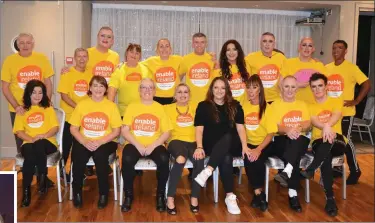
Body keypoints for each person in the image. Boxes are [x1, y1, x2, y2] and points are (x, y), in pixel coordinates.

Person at [193, 76, 244, 215]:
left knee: (229, 135)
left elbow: (240, 129)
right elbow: (199, 129)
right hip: (212, 146)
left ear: (227, 90)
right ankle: (229, 196)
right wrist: (199, 146)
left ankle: (208, 170)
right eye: (216, 87)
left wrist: (245, 146)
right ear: (211, 89)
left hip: (232, 144)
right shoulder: (203, 106)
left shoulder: (235, 105)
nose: (219, 91)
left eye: (223, 88)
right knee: (226, 157)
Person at [69, 76, 122, 209]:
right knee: (78, 156)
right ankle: (77, 192)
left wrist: (100, 141)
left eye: (101, 86)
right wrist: (84, 141)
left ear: (105, 89)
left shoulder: (111, 106)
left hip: (106, 141)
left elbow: (116, 131)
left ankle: (103, 193)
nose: (98, 88)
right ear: (90, 88)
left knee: (100, 156)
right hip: (85, 140)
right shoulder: (82, 105)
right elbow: (73, 128)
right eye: (95, 85)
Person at [120, 78, 172, 212]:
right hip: (134, 143)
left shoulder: (159, 108)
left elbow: (166, 132)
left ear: (155, 91)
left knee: (164, 159)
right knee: (127, 158)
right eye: (144, 87)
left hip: (154, 144)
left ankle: (160, 196)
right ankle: (128, 195)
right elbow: (125, 130)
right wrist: (138, 145)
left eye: (150, 88)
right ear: (139, 91)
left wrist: (152, 146)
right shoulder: (132, 106)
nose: (147, 90)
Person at [300, 73, 346, 217]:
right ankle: (330, 200)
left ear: (326, 87)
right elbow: (313, 121)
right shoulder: (310, 106)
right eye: (313, 87)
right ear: (311, 89)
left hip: (337, 140)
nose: (317, 89)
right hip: (318, 142)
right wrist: (326, 127)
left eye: (320, 86)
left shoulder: (336, 101)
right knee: (325, 156)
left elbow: (336, 116)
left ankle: (312, 168)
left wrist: (327, 127)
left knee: (330, 140)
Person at [325, 40, 371, 184]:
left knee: (345, 140)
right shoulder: (326, 68)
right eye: (334, 48)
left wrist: (357, 101)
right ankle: (337, 169)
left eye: (340, 48)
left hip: (346, 112)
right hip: (330, 113)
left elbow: (366, 83)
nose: (336, 50)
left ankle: (355, 170)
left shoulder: (352, 68)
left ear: (345, 51)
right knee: (334, 140)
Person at [1, 33, 54, 154]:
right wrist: (16, 106)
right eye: (22, 43)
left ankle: (40, 170)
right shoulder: (9, 61)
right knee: (22, 144)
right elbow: (5, 87)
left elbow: (48, 82)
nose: (25, 45)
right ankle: (26, 168)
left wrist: (46, 101)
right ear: (17, 45)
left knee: (41, 140)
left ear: (33, 44)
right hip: (19, 109)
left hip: (39, 108)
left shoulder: (41, 58)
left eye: (28, 42)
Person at [267, 75, 311, 212]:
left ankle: (287, 171)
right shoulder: (274, 105)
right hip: (282, 139)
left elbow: (308, 124)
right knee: (293, 151)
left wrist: (297, 129)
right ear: (281, 88)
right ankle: (293, 193)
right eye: (287, 86)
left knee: (296, 142)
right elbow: (275, 127)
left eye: (293, 87)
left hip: (300, 138)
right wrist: (288, 130)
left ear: (297, 89)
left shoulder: (302, 104)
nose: (290, 90)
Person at [13, 80, 59, 207]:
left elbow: (55, 128)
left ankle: (42, 177)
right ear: (28, 93)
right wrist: (31, 138)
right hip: (28, 142)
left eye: (40, 92)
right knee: (29, 155)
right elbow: (19, 131)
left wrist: (43, 136)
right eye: (34, 92)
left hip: (48, 142)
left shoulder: (48, 108)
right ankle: (27, 190)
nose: (37, 95)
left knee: (39, 144)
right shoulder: (22, 111)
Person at [164, 83, 204, 215]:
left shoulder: (196, 108)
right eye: (179, 92)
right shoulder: (166, 108)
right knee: (180, 159)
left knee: (200, 159)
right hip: (175, 141)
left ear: (189, 95)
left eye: (185, 92)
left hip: (193, 141)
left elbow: (200, 129)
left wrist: (200, 146)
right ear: (175, 95)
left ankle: (194, 196)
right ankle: (170, 197)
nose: (182, 95)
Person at [238, 74, 274, 212]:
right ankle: (259, 194)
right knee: (249, 157)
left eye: (254, 87)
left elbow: (270, 134)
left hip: (264, 143)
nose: (251, 90)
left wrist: (258, 149)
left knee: (257, 159)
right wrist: (246, 146)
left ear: (260, 89)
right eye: (248, 87)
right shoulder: (243, 106)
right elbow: (240, 129)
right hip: (249, 143)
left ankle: (257, 193)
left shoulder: (267, 108)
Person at [57, 48, 93, 180]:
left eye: (84, 56)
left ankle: (75, 172)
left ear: (87, 58)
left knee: (79, 147)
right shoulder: (67, 73)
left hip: (85, 118)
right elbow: (64, 95)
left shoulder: (90, 73)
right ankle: (61, 171)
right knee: (66, 145)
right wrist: (79, 108)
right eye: (79, 56)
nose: (82, 59)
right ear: (74, 58)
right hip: (69, 116)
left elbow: (93, 92)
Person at [108, 43, 150, 117]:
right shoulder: (119, 70)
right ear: (126, 53)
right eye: (131, 52)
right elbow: (112, 91)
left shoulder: (145, 69)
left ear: (140, 57)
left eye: (137, 53)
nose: (134, 55)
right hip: (124, 113)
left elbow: (151, 90)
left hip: (143, 112)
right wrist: (110, 111)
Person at [281, 37, 327, 104]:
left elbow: (326, 86)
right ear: (299, 47)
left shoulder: (319, 65)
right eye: (304, 45)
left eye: (310, 45)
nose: (307, 48)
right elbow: (280, 83)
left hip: (314, 106)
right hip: (294, 106)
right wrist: (297, 85)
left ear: (313, 49)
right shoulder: (288, 63)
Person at [245, 32, 287, 103]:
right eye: (264, 41)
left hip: (276, 100)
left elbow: (285, 79)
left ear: (274, 44)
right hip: (258, 100)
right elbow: (245, 80)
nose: (267, 44)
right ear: (260, 43)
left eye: (270, 41)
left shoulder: (281, 58)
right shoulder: (250, 58)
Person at [178, 32, 219, 103]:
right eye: (196, 42)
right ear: (193, 44)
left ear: (206, 44)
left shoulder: (212, 59)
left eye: (202, 42)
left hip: (208, 100)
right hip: (190, 101)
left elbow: (218, 79)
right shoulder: (185, 59)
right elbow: (179, 77)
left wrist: (216, 63)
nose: (199, 45)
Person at [142, 38, 183, 105]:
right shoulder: (151, 61)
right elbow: (136, 64)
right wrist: (123, 64)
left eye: (167, 46)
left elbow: (189, 64)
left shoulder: (179, 59)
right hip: (156, 98)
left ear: (170, 49)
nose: (164, 49)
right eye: (161, 46)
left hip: (174, 98)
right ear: (157, 50)